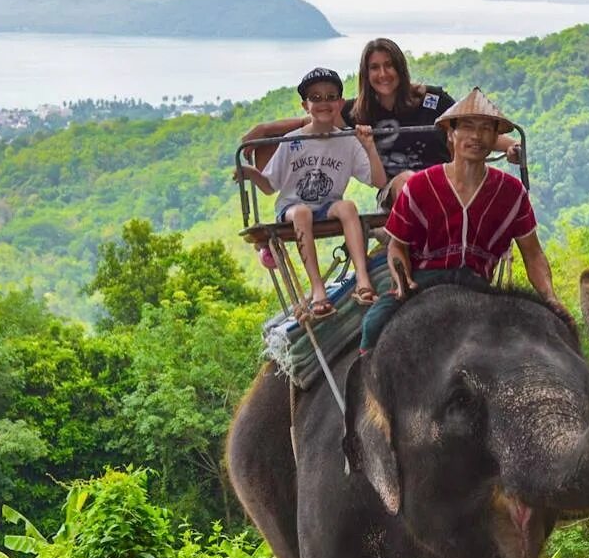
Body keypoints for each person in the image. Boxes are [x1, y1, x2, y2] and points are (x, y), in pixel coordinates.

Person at [359, 87, 564, 350]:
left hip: (478, 286)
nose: (476, 136)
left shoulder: (511, 192)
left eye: (486, 128)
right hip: (423, 282)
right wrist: (403, 282)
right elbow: (397, 245)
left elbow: (533, 254)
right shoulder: (420, 186)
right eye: (467, 127)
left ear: (494, 138)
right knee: (373, 324)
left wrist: (550, 298)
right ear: (450, 134)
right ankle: (371, 391)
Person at [241, 38, 521, 210]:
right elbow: (314, 119)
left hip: (448, 183)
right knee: (406, 181)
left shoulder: (432, 100)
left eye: (389, 65)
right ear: (366, 73)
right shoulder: (357, 111)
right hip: (395, 193)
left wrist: (511, 147)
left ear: (400, 67)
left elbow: (471, 131)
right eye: (374, 67)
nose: (383, 73)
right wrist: (265, 130)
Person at [236, 67, 386, 320]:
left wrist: (369, 147)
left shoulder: (347, 140)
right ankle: (318, 289)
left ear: (340, 103)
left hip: (328, 205)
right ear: (305, 105)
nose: (324, 103)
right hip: (293, 208)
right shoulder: (291, 141)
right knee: (302, 212)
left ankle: (363, 279)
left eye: (330, 97)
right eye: (316, 98)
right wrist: (250, 173)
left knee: (347, 206)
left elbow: (379, 180)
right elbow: (270, 186)